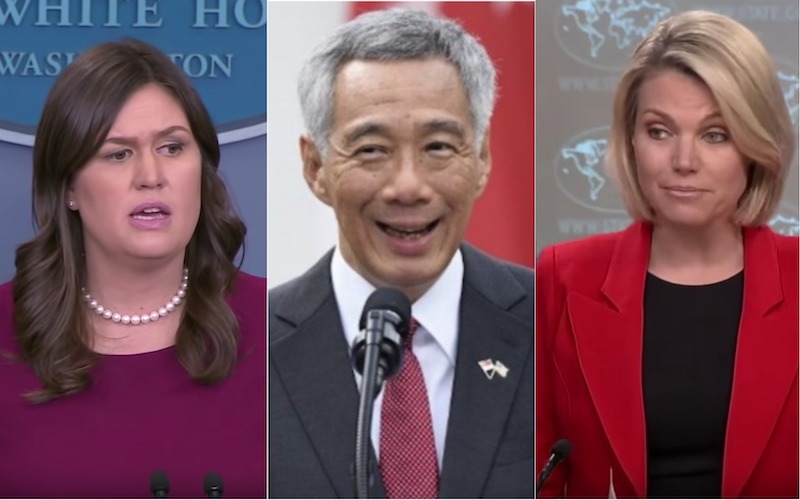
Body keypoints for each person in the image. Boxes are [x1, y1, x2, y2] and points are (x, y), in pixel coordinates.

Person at [268, 8, 533, 499]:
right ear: (315, 167)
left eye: (437, 146)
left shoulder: (560, 326)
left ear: (481, 159)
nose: (408, 187)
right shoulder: (238, 354)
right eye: (371, 150)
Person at [536, 10, 797, 498]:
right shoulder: (563, 276)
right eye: (659, 131)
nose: (683, 161)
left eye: (714, 135)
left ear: (757, 148)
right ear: (632, 141)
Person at [0, 39, 266, 497]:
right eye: (118, 153)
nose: (151, 174)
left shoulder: (278, 324)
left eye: (172, 147)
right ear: (68, 188)